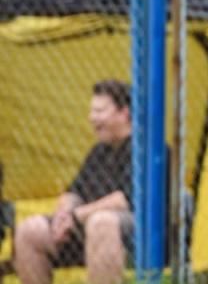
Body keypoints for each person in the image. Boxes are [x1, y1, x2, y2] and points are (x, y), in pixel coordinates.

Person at [14, 79, 134, 284]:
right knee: (29, 230)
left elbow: (125, 199)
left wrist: (76, 215)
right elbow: (74, 192)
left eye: (99, 111)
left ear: (124, 113)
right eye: (91, 112)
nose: (91, 118)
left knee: (101, 222)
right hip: (85, 225)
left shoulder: (147, 149)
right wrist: (63, 215)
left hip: (142, 234)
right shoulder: (98, 152)